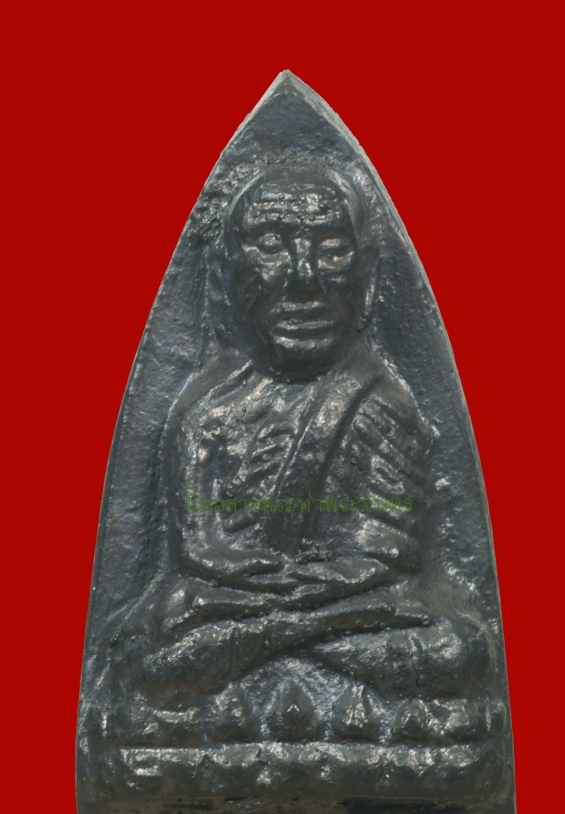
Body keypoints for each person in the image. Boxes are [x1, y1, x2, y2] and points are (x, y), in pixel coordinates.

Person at [109, 167, 503, 748]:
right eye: (270, 245)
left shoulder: (380, 402)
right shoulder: (205, 414)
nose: (303, 278)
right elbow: (196, 549)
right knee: (146, 649)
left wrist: (308, 597)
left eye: (333, 249)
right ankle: (294, 659)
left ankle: (279, 654)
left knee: (459, 649)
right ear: (226, 275)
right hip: (242, 604)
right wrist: (245, 576)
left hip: (344, 607)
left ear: (367, 279)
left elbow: (391, 553)